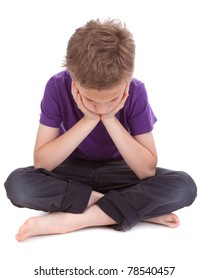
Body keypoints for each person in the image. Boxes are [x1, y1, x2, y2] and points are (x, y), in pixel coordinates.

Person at [4, 19, 197, 242]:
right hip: (71, 172)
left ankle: (76, 219)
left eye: (113, 99)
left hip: (121, 172)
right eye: (90, 99)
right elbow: (43, 163)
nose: (102, 106)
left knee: (183, 186)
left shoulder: (136, 91)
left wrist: (109, 118)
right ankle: (127, 210)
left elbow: (146, 171)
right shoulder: (56, 86)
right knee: (19, 185)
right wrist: (88, 119)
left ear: (126, 82)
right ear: (73, 80)